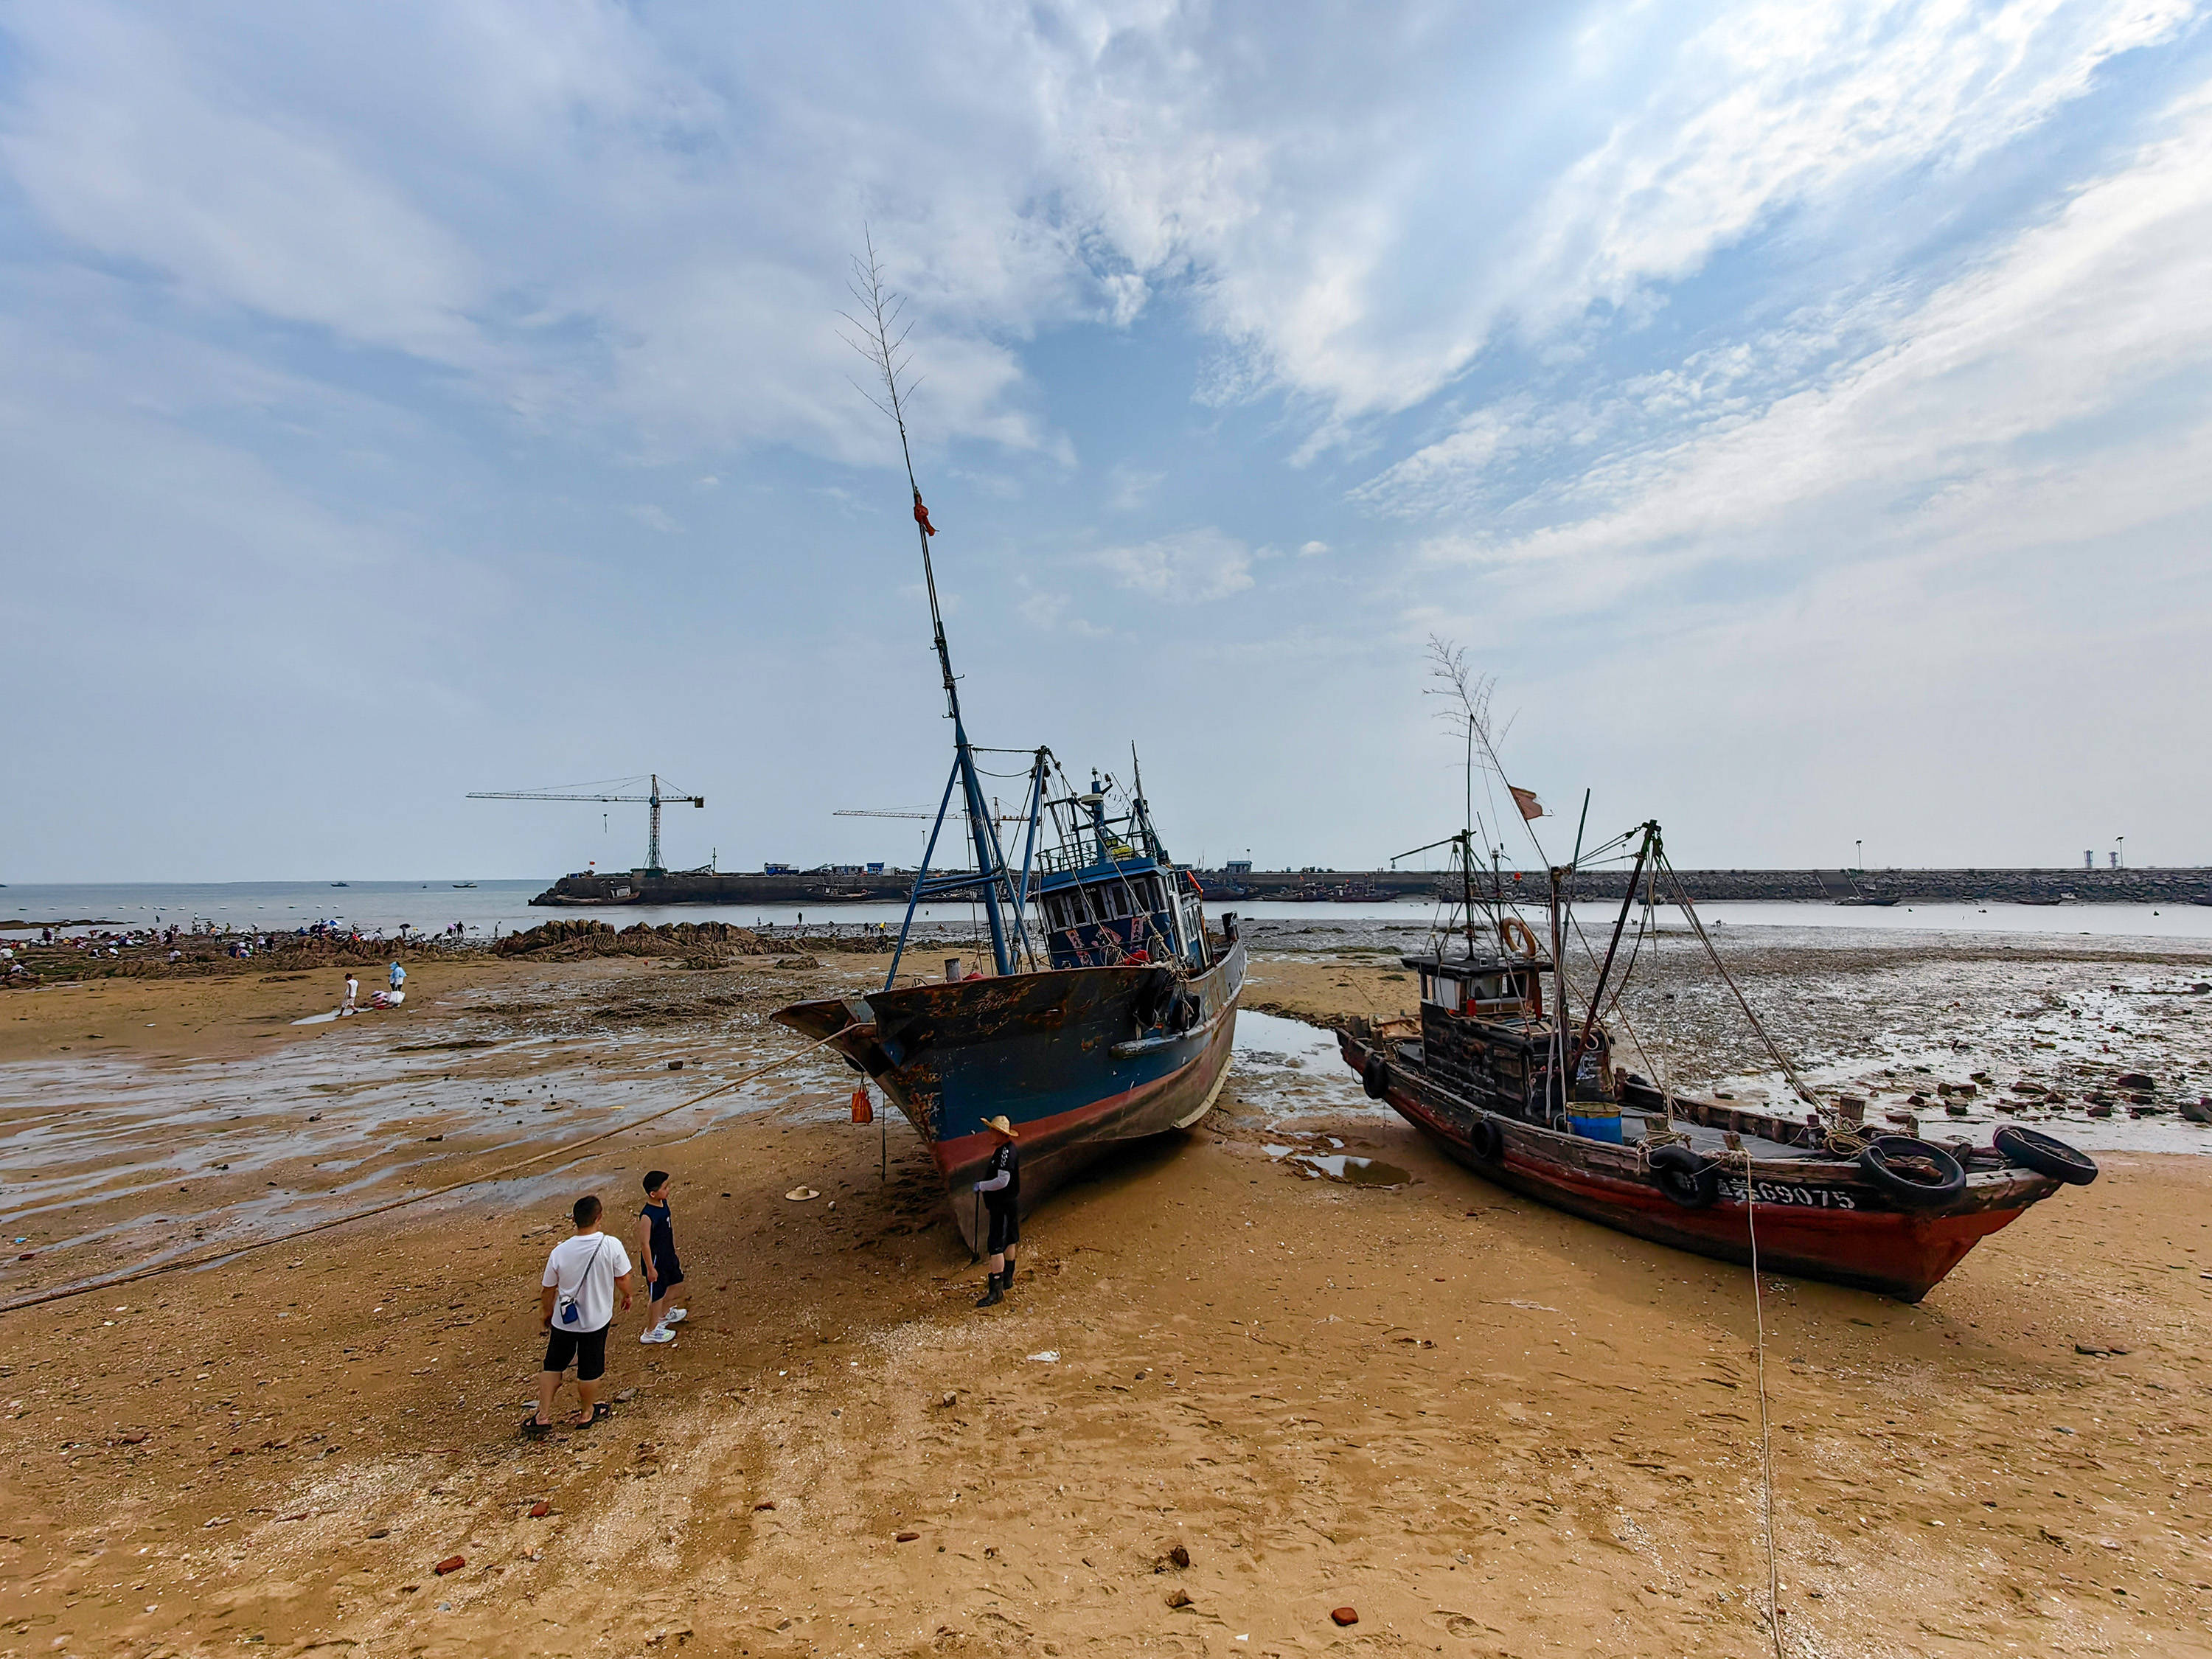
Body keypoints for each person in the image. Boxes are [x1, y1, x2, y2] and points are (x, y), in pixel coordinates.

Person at [528, 1194, 634, 1435]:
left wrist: (547, 1311)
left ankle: (542, 1414)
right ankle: (587, 1412)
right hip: (596, 1320)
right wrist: (627, 1295)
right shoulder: (611, 1245)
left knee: (553, 1365)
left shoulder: (560, 1251)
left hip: (564, 1320)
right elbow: (623, 1278)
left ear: (574, 1219)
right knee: (590, 1366)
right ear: (599, 1218)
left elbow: (548, 1289)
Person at [972, 1116, 1020, 1307]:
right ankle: (1008, 1279)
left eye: (991, 1130)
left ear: (1001, 1134)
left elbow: (1003, 1181)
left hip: (1002, 1204)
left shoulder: (1004, 1154)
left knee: (996, 1245)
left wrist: (981, 1186)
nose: (989, 1133)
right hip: (1011, 1202)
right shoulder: (1008, 1150)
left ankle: (996, 1290)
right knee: (1010, 1238)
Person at [635, 1170, 687, 1343]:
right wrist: (650, 1268)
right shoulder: (647, 1216)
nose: (668, 1190)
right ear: (653, 1193)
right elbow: (645, 1244)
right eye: (665, 1188)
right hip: (656, 1262)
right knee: (656, 1295)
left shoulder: (663, 1204)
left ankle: (664, 1315)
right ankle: (650, 1331)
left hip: (668, 1255)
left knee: (676, 1283)